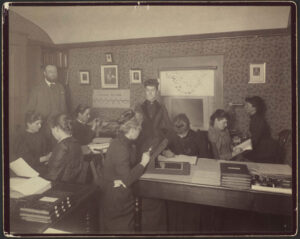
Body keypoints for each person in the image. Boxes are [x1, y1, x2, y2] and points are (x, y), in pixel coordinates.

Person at [100, 109, 150, 233]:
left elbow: (126, 175)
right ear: (132, 130)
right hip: (116, 199)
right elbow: (127, 179)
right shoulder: (121, 147)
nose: (140, 131)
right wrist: (143, 163)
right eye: (139, 128)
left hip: (119, 190)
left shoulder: (125, 142)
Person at [162, 113, 211, 233]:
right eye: (178, 134)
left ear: (188, 128)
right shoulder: (172, 134)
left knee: (192, 208)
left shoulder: (198, 136)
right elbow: (161, 147)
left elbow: (205, 158)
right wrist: (165, 152)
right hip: (177, 172)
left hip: (195, 172)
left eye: (183, 133)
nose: (180, 136)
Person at [135, 78, 171, 233]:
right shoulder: (138, 107)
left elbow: (168, 128)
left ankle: (154, 213)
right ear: (145, 91)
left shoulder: (162, 108)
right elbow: (133, 127)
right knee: (141, 176)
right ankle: (141, 209)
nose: (150, 93)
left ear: (157, 92)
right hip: (141, 146)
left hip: (156, 146)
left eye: (153, 90)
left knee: (153, 176)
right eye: (147, 90)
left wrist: (164, 145)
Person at [45, 113, 83, 182]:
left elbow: (52, 176)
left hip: (59, 186)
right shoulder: (76, 142)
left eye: (52, 130)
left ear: (56, 129)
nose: (52, 133)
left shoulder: (62, 146)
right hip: (73, 182)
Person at [243, 96, 280, 163]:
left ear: (254, 108)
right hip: (264, 147)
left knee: (241, 155)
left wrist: (242, 148)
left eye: (247, 105)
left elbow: (255, 140)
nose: (245, 107)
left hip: (265, 150)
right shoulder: (255, 118)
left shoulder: (257, 120)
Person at [14, 110, 51, 176]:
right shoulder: (21, 138)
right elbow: (26, 161)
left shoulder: (41, 134)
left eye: (41, 123)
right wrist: (45, 158)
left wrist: (49, 159)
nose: (40, 126)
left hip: (43, 168)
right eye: (37, 123)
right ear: (28, 124)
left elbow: (47, 149)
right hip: (29, 171)